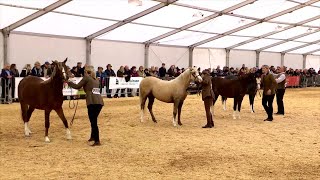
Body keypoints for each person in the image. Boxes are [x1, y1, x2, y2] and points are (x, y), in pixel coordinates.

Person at [67, 65, 104, 146]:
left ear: (86, 71)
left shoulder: (86, 77)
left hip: (92, 102)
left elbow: (77, 86)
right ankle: (92, 137)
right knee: (93, 120)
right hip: (99, 102)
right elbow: (92, 88)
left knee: (93, 122)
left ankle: (97, 140)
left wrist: (69, 82)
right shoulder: (96, 79)